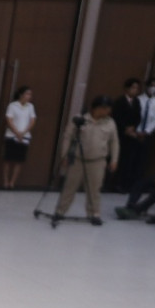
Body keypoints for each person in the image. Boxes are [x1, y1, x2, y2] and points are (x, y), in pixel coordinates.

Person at [52, 97, 118, 226]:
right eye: (105, 109)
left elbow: (114, 142)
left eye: (109, 109)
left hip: (98, 161)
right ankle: (60, 211)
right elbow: (67, 137)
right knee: (69, 187)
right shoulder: (80, 119)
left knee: (94, 189)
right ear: (96, 108)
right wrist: (64, 155)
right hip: (78, 160)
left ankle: (94, 214)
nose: (107, 112)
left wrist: (114, 160)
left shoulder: (110, 123)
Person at [111, 78, 143, 194]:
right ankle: (112, 183)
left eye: (137, 88)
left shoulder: (137, 102)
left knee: (127, 160)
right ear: (127, 88)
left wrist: (133, 127)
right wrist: (124, 128)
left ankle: (123, 184)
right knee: (117, 158)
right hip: (120, 134)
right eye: (133, 87)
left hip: (131, 135)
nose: (135, 90)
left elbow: (138, 117)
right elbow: (116, 117)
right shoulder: (119, 101)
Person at [2, 84, 35, 189]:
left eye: (30, 94)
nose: (29, 96)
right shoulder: (13, 106)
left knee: (19, 160)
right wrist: (17, 132)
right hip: (11, 135)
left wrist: (23, 133)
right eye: (27, 94)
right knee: (8, 159)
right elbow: (9, 120)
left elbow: (32, 120)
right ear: (21, 95)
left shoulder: (30, 106)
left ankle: (12, 182)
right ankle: (5, 181)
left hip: (24, 136)